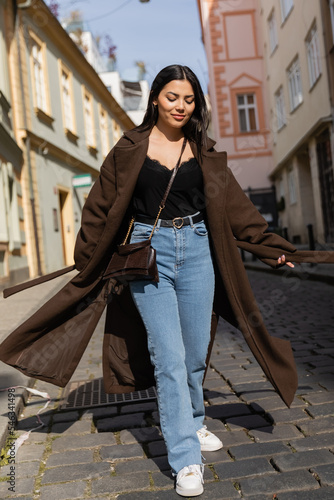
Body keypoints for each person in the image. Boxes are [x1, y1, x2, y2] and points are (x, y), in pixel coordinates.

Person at [1, 64, 333, 497]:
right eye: (173, 96)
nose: (181, 105)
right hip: (148, 254)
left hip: (198, 249)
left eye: (189, 99)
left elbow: (237, 208)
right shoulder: (128, 149)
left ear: (196, 104)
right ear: (156, 97)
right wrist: (90, 259)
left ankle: (192, 422)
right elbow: (99, 207)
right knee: (169, 356)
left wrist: (273, 248)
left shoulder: (205, 151)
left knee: (195, 351)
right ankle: (184, 457)